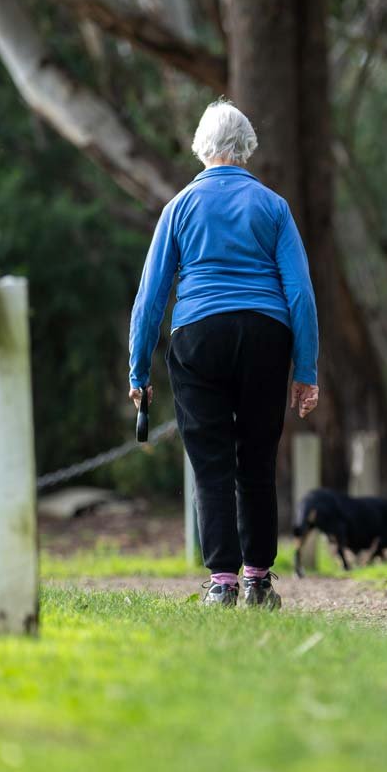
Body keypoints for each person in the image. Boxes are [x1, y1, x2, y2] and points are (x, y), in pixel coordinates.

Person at [128, 100, 319, 610]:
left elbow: (150, 297)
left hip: (198, 337)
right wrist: (305, 370)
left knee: (210, 460)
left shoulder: (179, 208)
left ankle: (222, 583)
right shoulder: (274, 207)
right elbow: (300, 294)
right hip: (265, 336)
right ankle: (258, 580)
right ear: (247, 148)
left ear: (200, 147)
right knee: (256, 456)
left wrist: (139, 370)